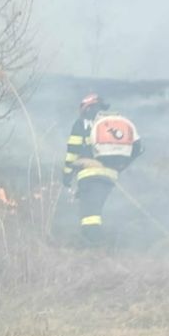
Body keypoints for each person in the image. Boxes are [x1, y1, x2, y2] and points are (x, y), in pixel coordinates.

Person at [63, 93, 143, 244]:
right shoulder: (117, 122)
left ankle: (94, 249)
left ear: (85, 108)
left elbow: (72, 152)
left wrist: (67, 175)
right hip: (111, 175)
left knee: (89, 216)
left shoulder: (82, 123)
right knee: (108, 211)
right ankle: (115, 245)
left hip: (89, 175)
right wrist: (122, 166)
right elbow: (138, 148)